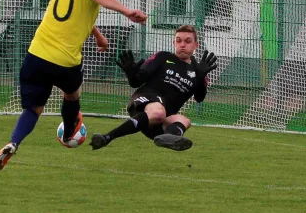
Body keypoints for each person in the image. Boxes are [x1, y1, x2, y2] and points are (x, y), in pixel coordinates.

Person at [0, 0, 147, 171]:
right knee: (72, 94)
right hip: (64, 61)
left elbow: (77, 10)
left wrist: (98, 35)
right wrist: (127, 11)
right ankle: (68, 131)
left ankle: (13, 143)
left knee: (33, 109)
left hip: (36, 55)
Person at [90, 25, 218, 152]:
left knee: (184, 120)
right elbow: (136, 81)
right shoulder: (163, 57)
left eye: (187, 41)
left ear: (196, 45)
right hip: (145, 102)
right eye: (178, 40)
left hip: (159, 119)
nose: (182, 44)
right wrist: (131, 73)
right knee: (158, 112)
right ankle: (106, 137)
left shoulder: (198, 70)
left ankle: (167, 138)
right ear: (174, 42)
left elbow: (199, 97)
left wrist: (201, 77)